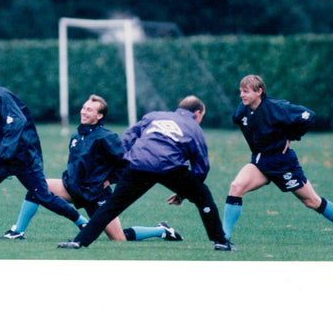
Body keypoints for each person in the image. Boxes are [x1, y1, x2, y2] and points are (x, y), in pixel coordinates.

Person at [0, 94, 183, 242]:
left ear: (99, 116)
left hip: (96, 195)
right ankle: (17, 231)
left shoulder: (106, 137)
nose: (84, 112)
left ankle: (161, 230)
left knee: (119, 239)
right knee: (37, 187)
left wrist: (109, 180)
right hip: (72, 187)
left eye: (90, 110)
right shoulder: (76, 135)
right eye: (84, 108)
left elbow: (126, 164)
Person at [58, 96, 233, 250]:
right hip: (169, 167)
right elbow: (201, 166)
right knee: (204, 196)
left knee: (111, 206)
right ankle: (220, 242)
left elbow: (129, 134)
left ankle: (79, 242)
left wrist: (130, 158)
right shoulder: (194, 127)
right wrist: (185, 192)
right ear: (198, 113)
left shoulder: (154, 115)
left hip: (139, 164)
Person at [0, 60, 89, 241]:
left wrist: (5, 151)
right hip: (0, 160)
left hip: (21, 158)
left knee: (43, 196)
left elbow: (17, 120)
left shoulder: (0, 95)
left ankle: (82, 223)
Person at [222, 74, 333, 245]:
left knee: (311, 201)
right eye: (240, 91)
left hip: (283, 163)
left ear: (259, 92)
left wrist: (292, 135)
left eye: (246, 91)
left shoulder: (278, 108)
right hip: (261, 162)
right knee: (236, 187)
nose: (242, 95)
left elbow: (309, 115)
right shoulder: (242, 111)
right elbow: (246, 124)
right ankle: (223, 239)